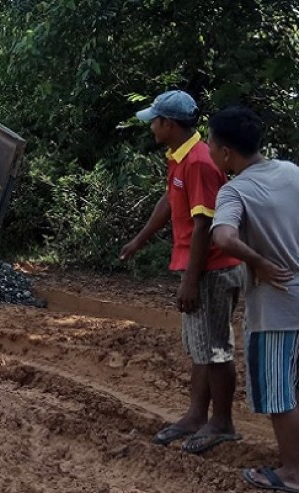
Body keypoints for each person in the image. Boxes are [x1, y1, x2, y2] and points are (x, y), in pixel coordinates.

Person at [120, 90, 243, 454]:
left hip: (212, 271)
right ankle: (195, 416)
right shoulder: (180, 156)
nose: (151, 127)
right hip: (200, 268)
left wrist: (191, 279)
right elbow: (169, 200)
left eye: (154, 121)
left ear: (168, 124)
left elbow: (205, 223)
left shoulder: (200, 162)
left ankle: (221, 423)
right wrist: (140, 240)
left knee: (216, 349)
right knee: (201, 348)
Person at [208, 106, 299, 492]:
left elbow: (224, 238)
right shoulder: (293, 172)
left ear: (226, 152)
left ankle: (293, 473)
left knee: (279, 394)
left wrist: (259, 261)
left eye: (211, 142)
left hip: (276, 307)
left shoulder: (235, 190)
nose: (209, 149)